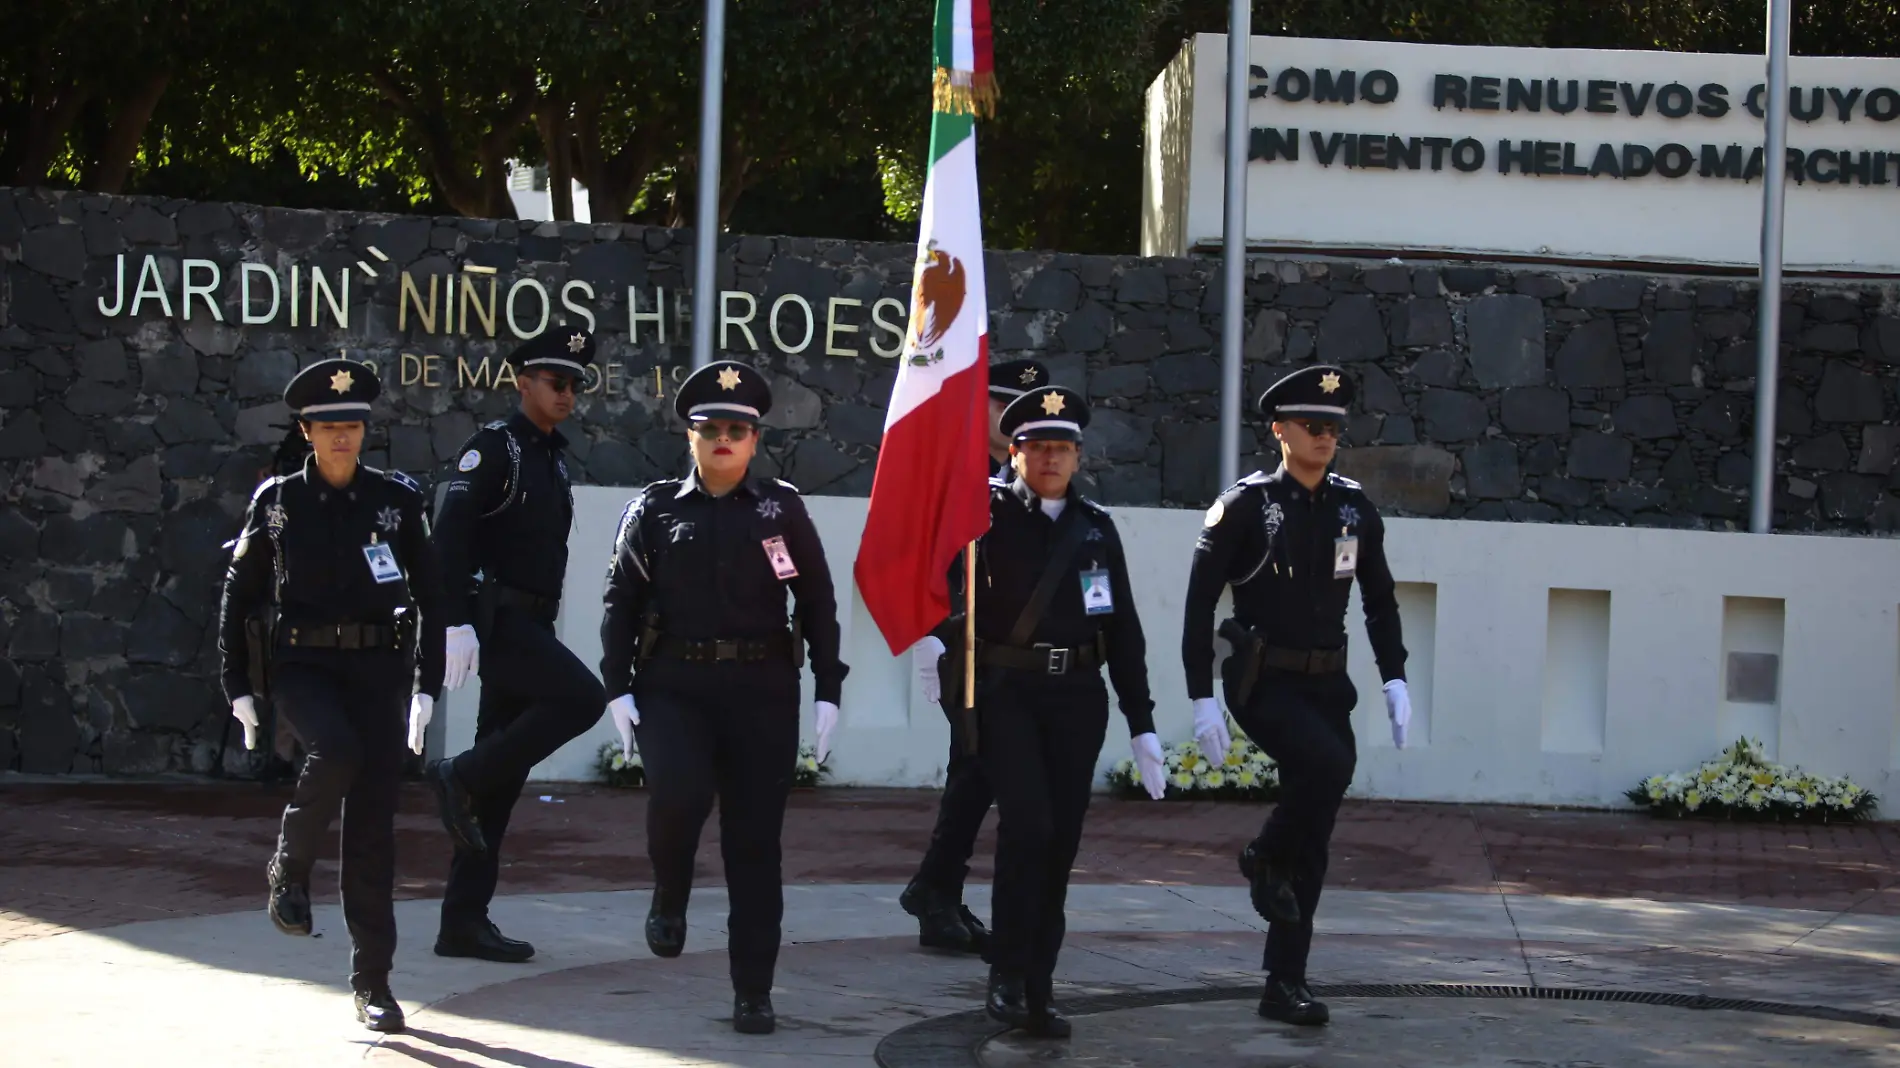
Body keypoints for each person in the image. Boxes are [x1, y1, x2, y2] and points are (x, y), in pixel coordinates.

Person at [599, 359, 849, 1036]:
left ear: (754, 439)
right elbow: (622, 600)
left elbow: (818, 599)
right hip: (675, 686)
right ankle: (670, 888)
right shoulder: (654, 508)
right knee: (678, 796)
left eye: (737, 430)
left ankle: (753, 990)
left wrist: (829, 687)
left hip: (762, 691)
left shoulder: (780, 508)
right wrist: (615, 686)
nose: (724, 441)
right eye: (711, 429)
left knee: (754, 844)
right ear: (691, 436)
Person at [217, 358, 444, 1033]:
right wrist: (237, 687)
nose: (342, 436)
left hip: (378, 668)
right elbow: (241, 594)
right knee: (336, 749)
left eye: (352, 425)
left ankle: (373, 983)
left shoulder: (395, 502)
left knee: (374, 829)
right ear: (307, 431)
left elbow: (432, 594)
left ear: (364, 430)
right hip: (304, 665)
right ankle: (290, 866)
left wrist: (425, 689)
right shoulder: (279, 502)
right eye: (328, 426)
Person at [1180, 364, 1411, 1028]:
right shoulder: (1244, 507)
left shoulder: (1352, 507)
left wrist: (1394, 675)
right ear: (1279, 430)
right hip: (1261, 679)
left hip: (1326, 682)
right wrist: (1200, 696)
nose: (1326, 438)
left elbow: (1380, 599)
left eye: (1335, 427)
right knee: (1328, 768)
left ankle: (1285, 981)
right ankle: (1260, 854)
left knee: (1315, 832)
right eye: (1313, 426)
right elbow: (1199, 606)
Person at [942, 384, 1166, 1039]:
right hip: (1007, 695)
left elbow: (1122, 629)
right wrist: (937, 644)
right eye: (1037, 446)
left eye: (1062, 448)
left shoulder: (1095, 528)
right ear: (1013, 452)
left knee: (1060, 843)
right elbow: (944, 586)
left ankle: (1039, 986)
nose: (1050, 458)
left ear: (1077, 457)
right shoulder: (981, 515)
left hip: (1078, 699)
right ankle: (1006, 976)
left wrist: (1142, 721)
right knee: (1028, 827)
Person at [426, 330, 608, 964]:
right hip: (499, 623)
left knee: (500, 786)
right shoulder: (494, 450)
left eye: (576, 386)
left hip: (533, 623)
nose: (568, 395)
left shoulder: (552, 456)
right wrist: (453, 622)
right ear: (522, 382)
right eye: (557, 383)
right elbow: (447, 539)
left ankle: (461, 921)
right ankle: (459, 774)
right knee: (584, 698)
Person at [897, 357, 1049, 954]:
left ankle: (937, 887)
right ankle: (937, 888)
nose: (1016, 421)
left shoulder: (1032, 473)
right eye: (1003, 407)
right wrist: (925, 640)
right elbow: (917, 558)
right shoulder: (953, 475)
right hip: (960, 645)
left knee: (977, 769)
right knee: (979, 764)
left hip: (1015, 651)